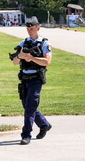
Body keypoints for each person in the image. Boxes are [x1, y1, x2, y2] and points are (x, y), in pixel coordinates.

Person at [11, 16, 52, 145]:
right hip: (24, 78)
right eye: (28, 29)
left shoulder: (44, 43)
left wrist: (31, 58)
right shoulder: (24, 43)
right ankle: (44, 124)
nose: (29, 31)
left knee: (30, 106)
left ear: (38, 28)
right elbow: (14, 62)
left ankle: (26, 134)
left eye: (32, 28)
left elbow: (47, 61)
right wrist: (20, 56)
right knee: (27, 105)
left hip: (36, 78)